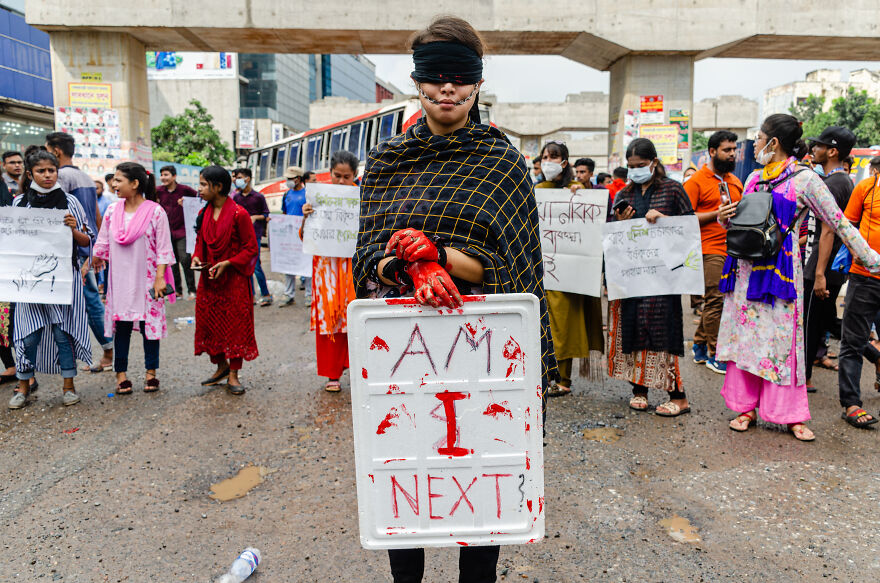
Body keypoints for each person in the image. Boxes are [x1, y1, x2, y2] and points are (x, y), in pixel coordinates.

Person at [354, 16, 555, 583]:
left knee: (481, 489)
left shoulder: (503, 164)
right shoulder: (388, 162)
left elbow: (515, 268)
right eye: (436, 77)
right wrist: (404, 263)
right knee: (408, 480)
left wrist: (438, 255)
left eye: (459, 79)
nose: (447, 89)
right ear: (418, 82)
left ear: (476, 84)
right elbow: (365, 256)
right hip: (403, 354)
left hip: (485, 354)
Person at [717, 114, 880, 440]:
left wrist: (873, 260)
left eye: (760, 138)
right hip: (747, 273)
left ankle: (790, 415)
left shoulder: (805, 180)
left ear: (773, 143)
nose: (757, 144)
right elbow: (744, 227)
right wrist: (725, 218)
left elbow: (839, 223)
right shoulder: (752, 178)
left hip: (780, 276)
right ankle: (746, 407)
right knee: (748, 341)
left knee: (783, 344)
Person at [608, 138, 693, 417]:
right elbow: (611, 236)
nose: (635, 171)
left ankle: (678, 396)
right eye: (631, 166)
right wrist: (620, 224)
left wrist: (665, 220)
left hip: (663, 278)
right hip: (633, 276)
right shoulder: (625, 194)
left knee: (661, 331)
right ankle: (639, 390)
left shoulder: (673, 190)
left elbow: (689, 228)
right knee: (633, 329)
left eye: (641, 165)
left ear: (654, 163)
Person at [8, 150, 93, 409]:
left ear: (57, 171)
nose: (47, 175)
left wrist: (73, 229)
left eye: (51, 170)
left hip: (64, 281)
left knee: (62, 332)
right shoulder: (20, 204)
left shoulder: (71, 202)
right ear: (30, 173)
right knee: (27, 335)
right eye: (41, 171)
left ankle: (68, 386)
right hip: (29, 282)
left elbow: (87, 241)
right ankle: (23, 386)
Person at [92, 163, 174, 395]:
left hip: (148, 279)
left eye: (119, 180)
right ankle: (121, 375)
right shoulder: (112, 211)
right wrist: (96, 258)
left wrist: (160, 278)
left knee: (150, 327)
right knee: (122, 326)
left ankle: (151, 373)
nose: (114, 185)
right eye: (114, 181)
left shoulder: (155, 211)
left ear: (135, 183)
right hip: (120, 279)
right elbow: (104, 241)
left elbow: (164, 248)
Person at [536, 141, 604, 397]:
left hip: (568, 274)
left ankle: (562, 378)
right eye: (545, 157)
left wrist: (581, 193)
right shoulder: (535, 190)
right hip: (543, 270)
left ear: (565, 163)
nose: (548, 162)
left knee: (564, 326)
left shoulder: (576, 192)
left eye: (554, 157)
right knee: (546, 324)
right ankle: (545, 375)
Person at [45, 131, 113, 372]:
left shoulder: (61, 177)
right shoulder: (84, 175)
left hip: (73, 249)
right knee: (90, 299)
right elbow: (96, 216)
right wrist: (99, 247)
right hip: (87, 245)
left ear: (55, 151)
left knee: (89, 299)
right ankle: (104, 350)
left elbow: (58, 214)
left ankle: (107, 351)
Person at [191, 166, 259, 395]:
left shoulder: (240, 214)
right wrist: (197, 258)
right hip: (209, 281)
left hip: (234, 282)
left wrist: (228, 263)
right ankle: (221, 367)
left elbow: (251, 248)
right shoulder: (203, 214)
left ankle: (233, 374)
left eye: (202, 184)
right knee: (209, 324)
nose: (199, 189)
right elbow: (200, 241)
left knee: (235, 327)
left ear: (217, 187)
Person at [684, 130, 743, 374]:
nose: (732, 154)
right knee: (717, 300)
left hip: (734, 250)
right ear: (712, 151)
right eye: (726, 150)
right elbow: (684, 218)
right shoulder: (696, 181)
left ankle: (698, 345)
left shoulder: (735, 181)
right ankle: (715, 352)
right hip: (708, 249)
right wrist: (715, 214)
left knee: (720, 300)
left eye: (734, 150)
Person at [803, 127, 856, 392]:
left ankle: (805, 378)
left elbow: (828, 231)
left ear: (832, 151)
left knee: (811, 326)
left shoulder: (835, 184)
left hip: (821, 267)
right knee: (827, 322)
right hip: (826, 266)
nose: (814, 149)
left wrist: (819, 273)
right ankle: (875, 356)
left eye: (819, 145)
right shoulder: (840, 181)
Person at [302, 151, 358, 392]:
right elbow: (305, 236)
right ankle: (332, 375)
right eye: (337, 176)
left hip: (354, 268)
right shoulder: (319, 198)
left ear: (356, 175)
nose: (342, 181)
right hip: (327, 272)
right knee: (330, 321)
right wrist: (306, 218)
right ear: (330, 174)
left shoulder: (362, 197)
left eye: (347, 177)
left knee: (356, 317)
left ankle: (359, 371)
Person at [836, 155, 880, 428]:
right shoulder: (866, 188)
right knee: (853, 341)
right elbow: (846, 227)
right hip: (865, 277)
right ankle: (851, 403)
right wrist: (859, 255)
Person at [157, 165, 199, 300]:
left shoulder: (185, 190)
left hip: (182, 231)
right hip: (165, 232)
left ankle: (192, 290)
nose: (163, 178)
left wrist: (187, 203)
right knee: (172, 262)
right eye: (162, 175)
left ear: (174, 176)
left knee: (186, 259)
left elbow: (199, 200)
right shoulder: (158, 191)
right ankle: (177, 291)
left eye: (166, 174)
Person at [232, 168, 272, 306]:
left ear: (247, 179)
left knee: (255, 266)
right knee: (245, 266)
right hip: (240, 237)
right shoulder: (236, 198)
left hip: (255, 236)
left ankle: (266, 294)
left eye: (239, 177)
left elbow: (266, 214)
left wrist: (256, 217)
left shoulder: (258, 197)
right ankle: (251, 295)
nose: (236, 180)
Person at [279, 166, 311, 307]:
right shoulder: (286, 195)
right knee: (288, 266)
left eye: (291, 179)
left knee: (307, 265)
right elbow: (284, 214)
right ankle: (289, 294)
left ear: (298, 179)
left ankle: (309, 295)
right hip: (290, 236)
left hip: (304, 235)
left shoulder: (307, 194)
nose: (288, 181)